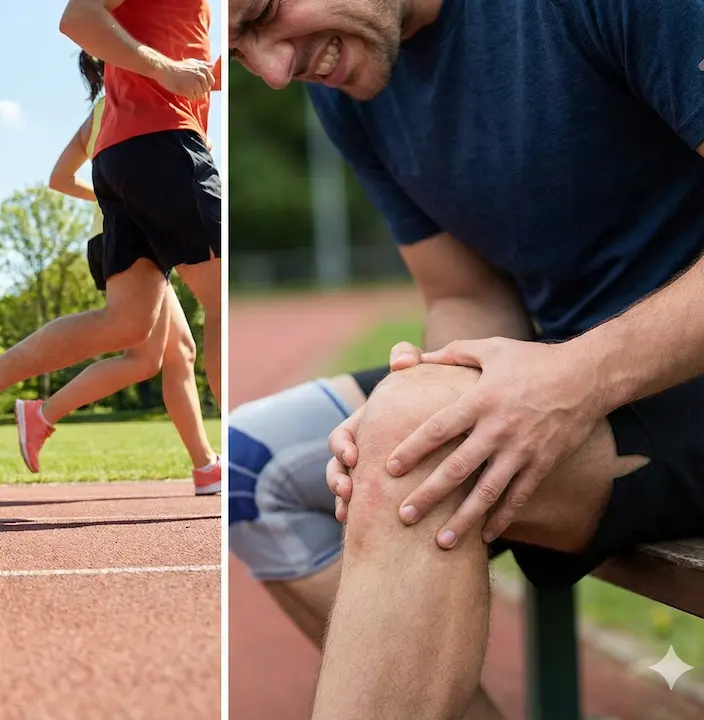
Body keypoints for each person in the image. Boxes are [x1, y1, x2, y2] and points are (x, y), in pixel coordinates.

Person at [228, 0, 704, 716]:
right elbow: (466, 294)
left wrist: (579, 376)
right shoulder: (354, 79)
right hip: (581, 369)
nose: (271, 71)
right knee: (252, 464)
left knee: (416, 443)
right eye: (237, 51)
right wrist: (418, 382)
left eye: (263, 13)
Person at [0, 0, 223, 475]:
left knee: (128, 325)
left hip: (125, 156)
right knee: (226, 298)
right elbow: (77, 16)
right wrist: (168, 71)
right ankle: (244, 472)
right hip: (161, 141)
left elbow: (185, 54)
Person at [15, 50, 220, 496]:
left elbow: (60, 177)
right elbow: (60, 178)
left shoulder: (102, 111)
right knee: (147, 355)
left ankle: (206, 466)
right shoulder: (130, 102)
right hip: (126, 235)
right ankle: (42, 414)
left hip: (118, 234)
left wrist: (112, 198)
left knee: (174, 353)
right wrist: (120, 202)